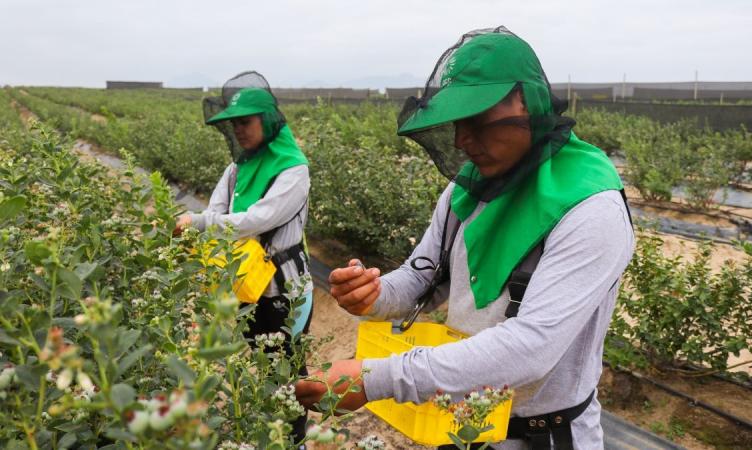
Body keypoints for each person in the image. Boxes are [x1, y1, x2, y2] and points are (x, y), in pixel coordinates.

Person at [295, 27, 634, 450]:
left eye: (477, 119)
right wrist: (375, 294)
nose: (461, 139)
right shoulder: (466, 191)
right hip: (460, 422)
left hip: (544, 435)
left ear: (527, 103)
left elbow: (530, 347)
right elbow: (421, 277)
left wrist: (376, 377)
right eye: (457, 121)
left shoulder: (590, 207)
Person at [174, 75, 313, 440]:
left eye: (246, 122)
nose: (238, 130)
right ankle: (268, 436)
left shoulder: (294, 169)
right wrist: (206, 222)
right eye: (235, 123)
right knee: (260, 365)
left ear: (267, 122)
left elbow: (257, 220)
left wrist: (201, 223)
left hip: (284, 290)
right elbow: (219, 208)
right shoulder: (236, 168)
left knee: (287, 372)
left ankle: (293, 441)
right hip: (244, 284)